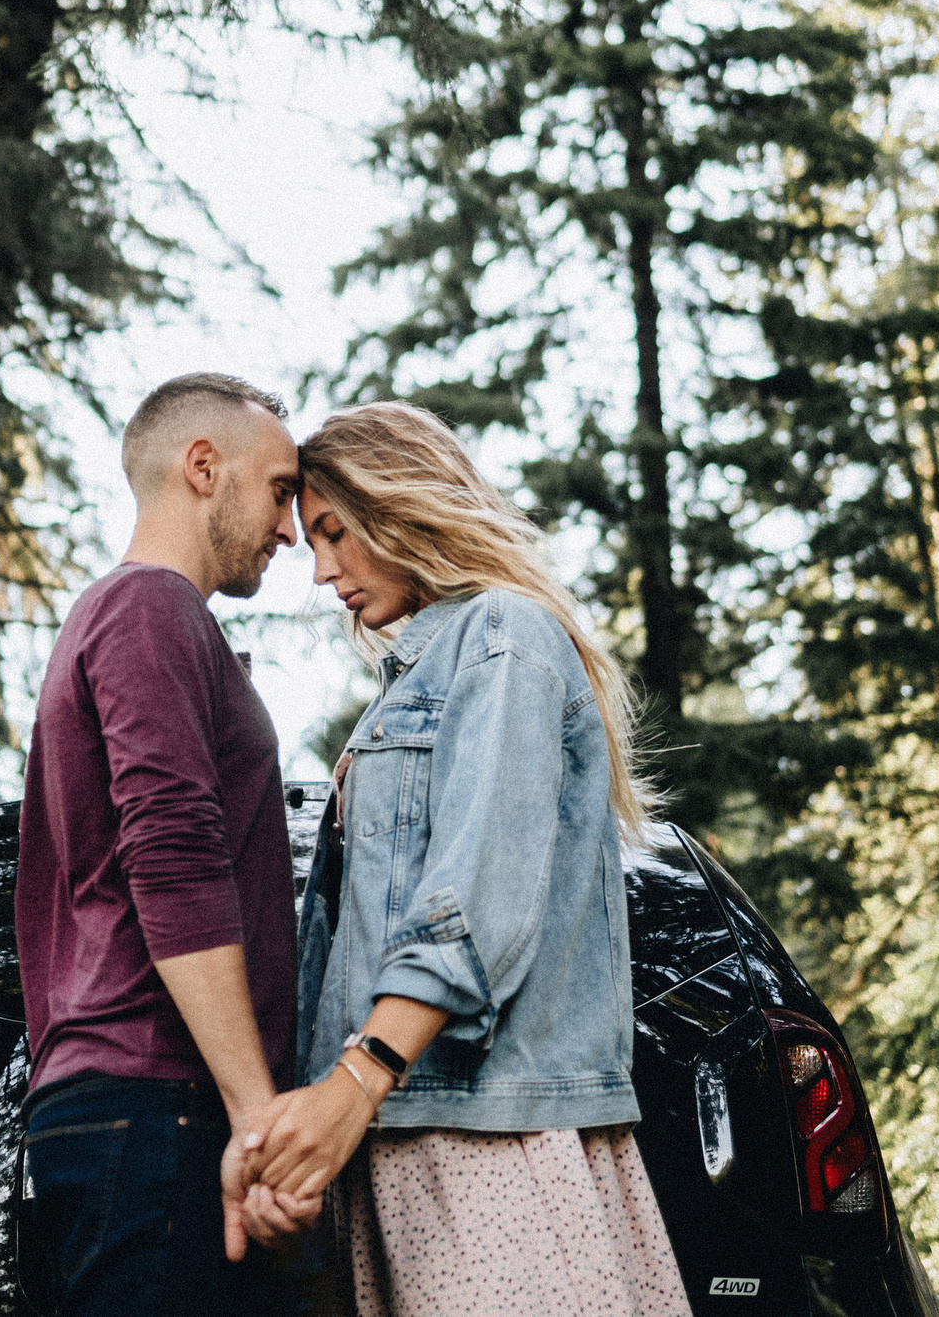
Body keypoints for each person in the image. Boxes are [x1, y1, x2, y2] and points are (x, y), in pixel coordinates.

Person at [234, 401, 694, 1317]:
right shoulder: (416, 682)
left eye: (334, 532)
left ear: (402, 506)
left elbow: (476, 900)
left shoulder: (503, 636)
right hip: (412, 1133)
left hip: (491, 1139)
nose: (323, 572)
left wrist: (354, 1081)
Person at [15, 372, 316, 1317]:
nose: (292, 529)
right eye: (279, 490)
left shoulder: (131, 618)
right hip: (157, 1115)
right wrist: (257, 1116)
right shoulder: (150, 609)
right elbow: (174, 859)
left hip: (135, 1116)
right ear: (202, 467)